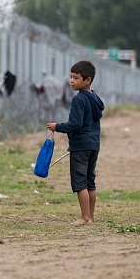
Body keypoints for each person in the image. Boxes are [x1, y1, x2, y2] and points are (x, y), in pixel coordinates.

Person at [47, 60, 105, 225]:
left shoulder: (79, 99)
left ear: (88, 80)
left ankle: (84, 217)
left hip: (80, 146)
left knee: (80, 182)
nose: (72, 81)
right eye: (71, 77)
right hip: (94, 145)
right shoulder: (95, 98)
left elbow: (75, 124)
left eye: (76, 78)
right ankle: (91, 218)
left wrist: (56, 127)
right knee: (90, 182)